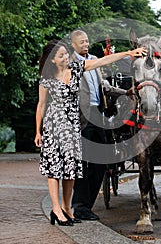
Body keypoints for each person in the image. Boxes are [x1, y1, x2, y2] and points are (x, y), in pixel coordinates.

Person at [34, 38, 146, 226]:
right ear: (52, 60)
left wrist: (127, 53)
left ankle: (67, 208)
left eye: (66, 54)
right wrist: (38, 132)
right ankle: (55, 209)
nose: (66, 58)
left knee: (71, 170)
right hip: (53, 126)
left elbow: (102, 61)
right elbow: (41, 105)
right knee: (54, 170)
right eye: (61, 56)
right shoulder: (47, 78)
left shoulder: (77, 69)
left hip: (72, 125)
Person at [70, 29, 134, 221]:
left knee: (101, 162)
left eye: (87, 41)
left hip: (99, 115)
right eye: (81, 42)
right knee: (83, 163)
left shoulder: (94, 59)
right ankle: (79, 206)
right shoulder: (72, 63)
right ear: (73, 44)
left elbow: (103, 86)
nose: (85, 44)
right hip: (81, 117)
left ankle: (86, 206)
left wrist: (125, 92)